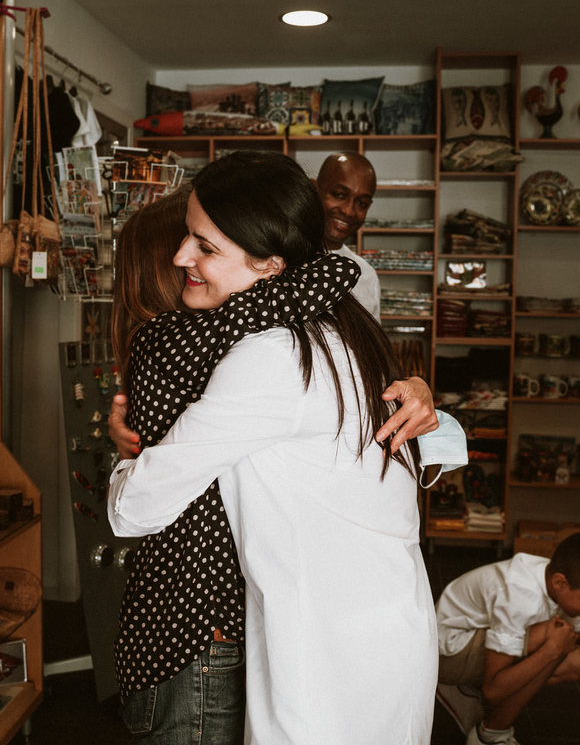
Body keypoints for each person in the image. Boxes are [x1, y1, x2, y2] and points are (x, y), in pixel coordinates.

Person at [108, 151, 440, 744]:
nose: (183, 256)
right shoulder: (339, 321)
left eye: (205, 247)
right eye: (188, 237)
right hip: (383, 623)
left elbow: (134, 509)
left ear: (268, 263)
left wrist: (126, 458)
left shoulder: (269, 355)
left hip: (326, 642)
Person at [435, 530, 580, 745]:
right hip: (444, 656)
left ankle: (472, 695)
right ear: (560, 583)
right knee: (556, 637)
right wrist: (551, 650)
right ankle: (488, 735)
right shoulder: (521, 597)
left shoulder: (556, 580)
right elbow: (493, 692)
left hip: (472, 643)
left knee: (575, 661)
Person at [315, 151, 380, 318]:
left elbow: (370, 343)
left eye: (362, 203)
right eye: (339, 195)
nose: (348, 211)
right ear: (315, 189)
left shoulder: (366, 275)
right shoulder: (279, 263)